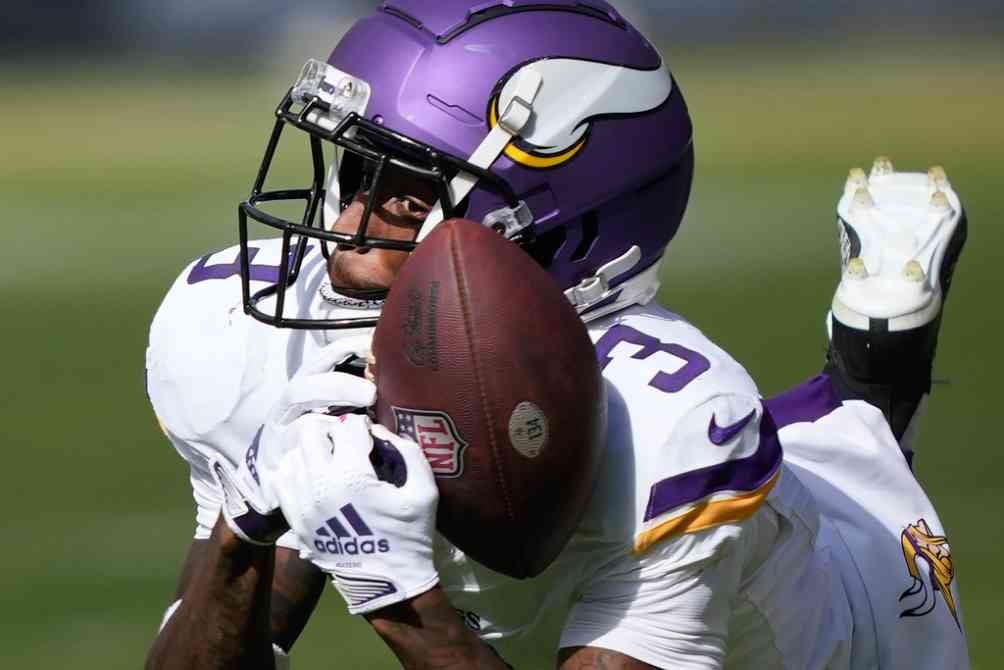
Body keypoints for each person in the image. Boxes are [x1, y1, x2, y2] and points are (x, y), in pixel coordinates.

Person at [144, 2, 970, 668]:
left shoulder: (673, 427)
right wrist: (238, 533)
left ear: (553, 228)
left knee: (865, 449)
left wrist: (398, 595)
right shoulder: (245, 327)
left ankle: (881, 339)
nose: (346, 229)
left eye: (404, 195)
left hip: (861, 628)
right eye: (354, 171)